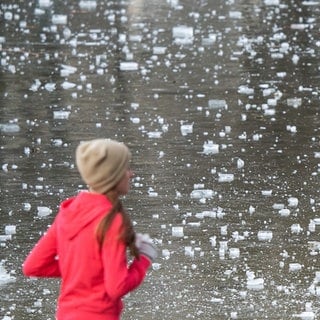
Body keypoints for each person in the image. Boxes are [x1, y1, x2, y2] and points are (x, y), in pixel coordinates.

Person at [22, 138, 157, 320]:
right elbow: (116, 287)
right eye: (125, 168)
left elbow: (33, 266)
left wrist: (82, 268)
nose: (130, 174)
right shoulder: (111, 221)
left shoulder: (67, 212)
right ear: (112, 175)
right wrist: (144, 260)